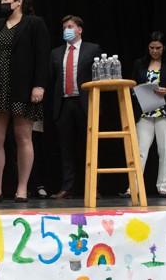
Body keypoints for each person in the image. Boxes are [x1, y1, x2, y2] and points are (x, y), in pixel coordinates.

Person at [0, 0, 49, 203]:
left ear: (18, 2)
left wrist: (39, 86)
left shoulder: (35, 24)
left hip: (22, 87)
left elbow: (41, 58)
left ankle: (22, 188)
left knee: (23, 137)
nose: (2, 2)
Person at [120, 31, 166, 198]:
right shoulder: (140, 64)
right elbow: (132, 84)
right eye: (152, 48)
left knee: (165, 150)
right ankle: (133, 187)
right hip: (145, 112)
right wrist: (138, 92)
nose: (155, 51)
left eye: (158, 48)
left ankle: (163, 186)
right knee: (140, 151)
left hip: (165, 112)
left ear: (164, 47)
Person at [49, 15, 101, 199]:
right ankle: (67, 187)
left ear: (80, 29)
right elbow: (52, 80)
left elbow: (98, 76)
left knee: (89, 146)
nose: (66, 30)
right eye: (64, 27)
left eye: (70, 26)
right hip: (63, 103)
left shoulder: (92, 49)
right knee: (66, 148)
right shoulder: (56, 53)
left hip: (84, 102)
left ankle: (92, 186)